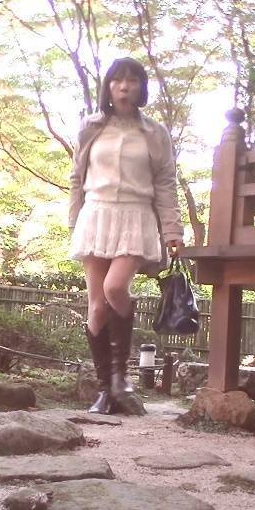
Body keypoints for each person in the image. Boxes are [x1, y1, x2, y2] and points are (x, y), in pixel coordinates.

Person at [68, 57, 184, 414]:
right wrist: (74, 222)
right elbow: (76, 177)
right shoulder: (90, 127)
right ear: (108, 87)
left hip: (136, 215)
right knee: (96, 306)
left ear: (141, 88)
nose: (123, 86)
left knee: (115, 288)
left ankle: (121, 379)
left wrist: (173, 231)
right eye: (117, 80)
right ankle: (106, 390)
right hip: (96, 214)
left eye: (132, 80)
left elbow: (165, 183)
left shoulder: (155, 133)